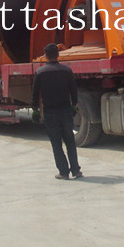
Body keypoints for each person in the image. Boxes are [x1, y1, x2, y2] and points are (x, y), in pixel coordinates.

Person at [31, 43, 83, 180]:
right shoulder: (67, 70)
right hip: (65, 111)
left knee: (56, 143)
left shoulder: (40, 72)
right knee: (70, 142)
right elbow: (73, 91)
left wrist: (35, 110)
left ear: (45, 55)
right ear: (58, 54)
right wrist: (74, 106)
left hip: (50, 113)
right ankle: (76, 170)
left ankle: (63, 172)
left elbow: (35, 94)